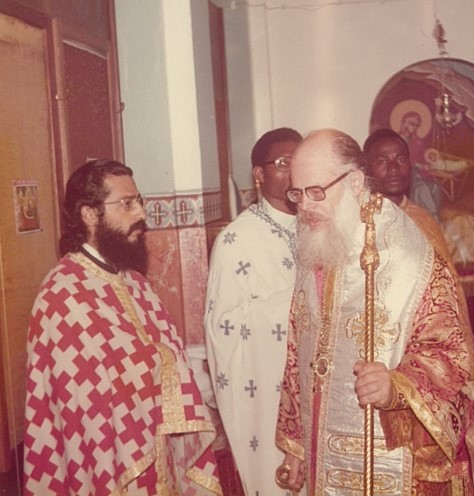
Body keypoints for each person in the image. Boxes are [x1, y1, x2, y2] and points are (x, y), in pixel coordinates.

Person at [275, 129, 474, 494]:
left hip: (395, 462)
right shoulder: (319, 239)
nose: (304, 206)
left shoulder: (408, 254)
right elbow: (299, 351)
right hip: (324, 453)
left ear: (355, 182)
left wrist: (396, 389)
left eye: (316, 191)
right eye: (297, 193)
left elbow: (449, 354)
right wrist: (297, 446)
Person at [23, 159, 221, 495]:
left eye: (139, 201)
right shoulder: (62, 295)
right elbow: (83, 405)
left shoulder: (134, 282)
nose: (141, 213)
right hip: (108, 458)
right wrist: (155, 364)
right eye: (127, 204)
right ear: (90, 214)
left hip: (155, 445)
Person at [204, 128, 303, 495]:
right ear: (259, 174)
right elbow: (223, 331)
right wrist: (296, 303)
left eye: (300, 162)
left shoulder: (318, 226)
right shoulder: (236, 240)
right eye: (283, 163)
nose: (294, 172)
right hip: (267, 397)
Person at [363, 128, 474, 380]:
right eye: (382, 161)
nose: (393, 168)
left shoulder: (424, 220)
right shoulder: (359, 224)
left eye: (400, 159)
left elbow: (450, 290)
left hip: (424, 339)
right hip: (377, 341)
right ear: (367, 171)